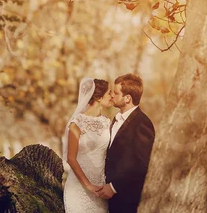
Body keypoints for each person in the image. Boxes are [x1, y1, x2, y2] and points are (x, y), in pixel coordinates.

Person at [96, 73, 155, 213]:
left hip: (127, 198)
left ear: (127, 98)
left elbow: (142, 165)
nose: (112, 96)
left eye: (116, 93)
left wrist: (114, 187)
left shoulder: (142, 124)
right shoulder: (115, 119)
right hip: (107, 198)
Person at [63, 77, 113, 213]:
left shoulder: (107, 123)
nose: (112, 96)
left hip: (101, 186)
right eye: (109, 92)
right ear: (98, 97)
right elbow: (71, 159)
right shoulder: (77, 123)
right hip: (79, 187)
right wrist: (88, 185)